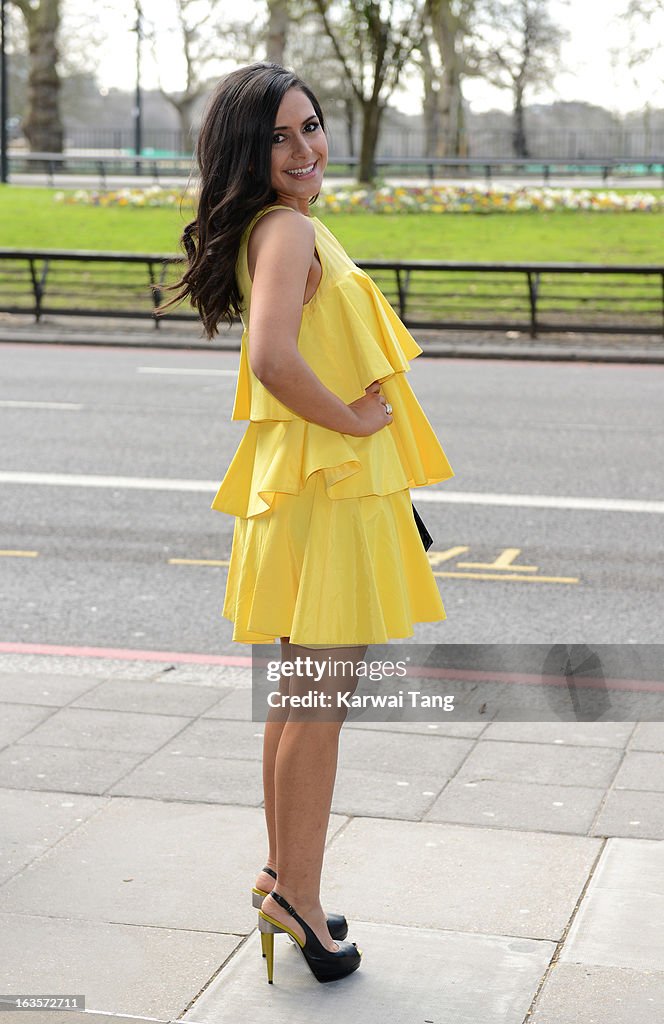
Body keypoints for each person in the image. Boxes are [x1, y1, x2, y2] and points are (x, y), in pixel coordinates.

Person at [162, 62, 454, 985]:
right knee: (316, 708)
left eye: (312, 127)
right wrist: (356, 420)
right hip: (326, 495)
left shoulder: (269, 226)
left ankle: (285, 876)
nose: (305, 148)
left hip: (303, 493)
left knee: (295, 698)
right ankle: (299, 900)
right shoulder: (286, 228)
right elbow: (275, 357)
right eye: (281, 136)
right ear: (250, 153)